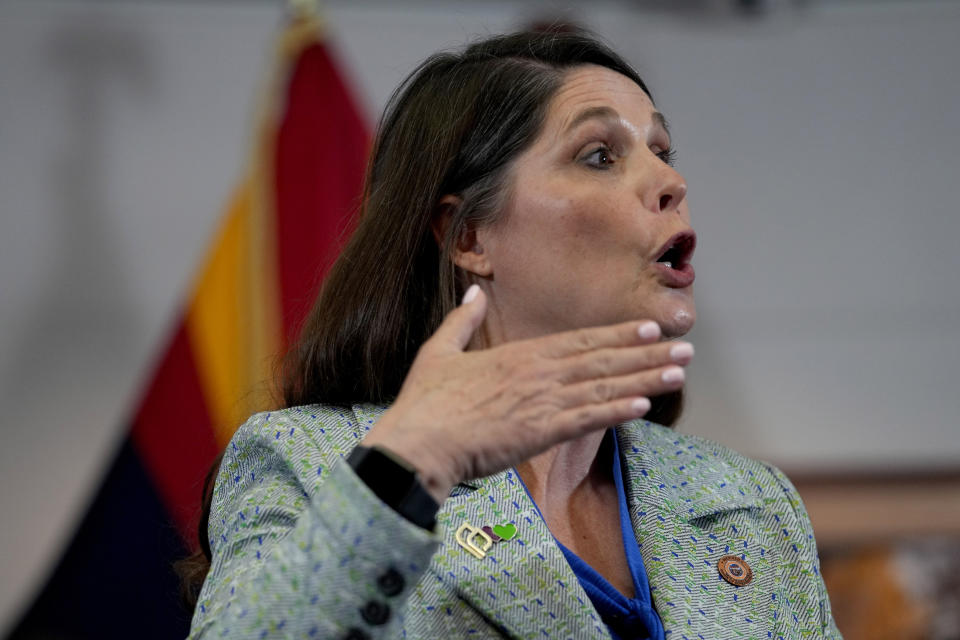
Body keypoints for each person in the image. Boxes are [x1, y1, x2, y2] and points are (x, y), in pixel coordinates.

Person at [185, 30, 841, 640]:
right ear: (468, 235)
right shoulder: (312, 462)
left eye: (663, 152)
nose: (672, 182)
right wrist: (409, 464)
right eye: (599, 156)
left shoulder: (748, 502)